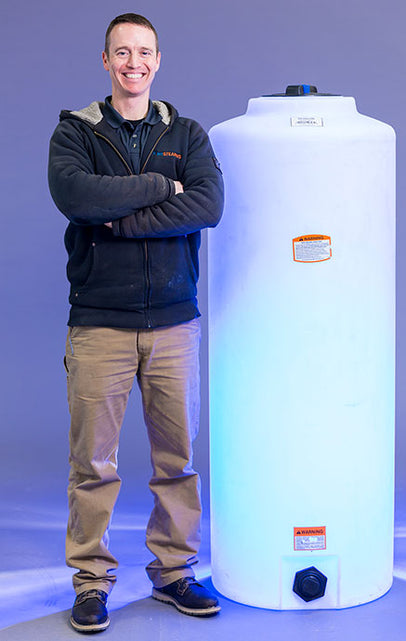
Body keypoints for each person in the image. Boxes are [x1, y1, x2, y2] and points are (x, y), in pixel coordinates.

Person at [48, 13, 224, 633]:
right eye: (121, 52)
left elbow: (206, 205)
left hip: (175, 322)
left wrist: (120, 218)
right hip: (99, 323)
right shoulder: (76, 131)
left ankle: (174, 572)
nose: (133, 63)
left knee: (177, 458)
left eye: (144, 52)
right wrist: (157, 185)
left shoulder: (188, 132)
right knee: (93, 464)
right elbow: (76, 197)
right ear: (105, 61)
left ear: (158, 60)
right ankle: (92, 583)